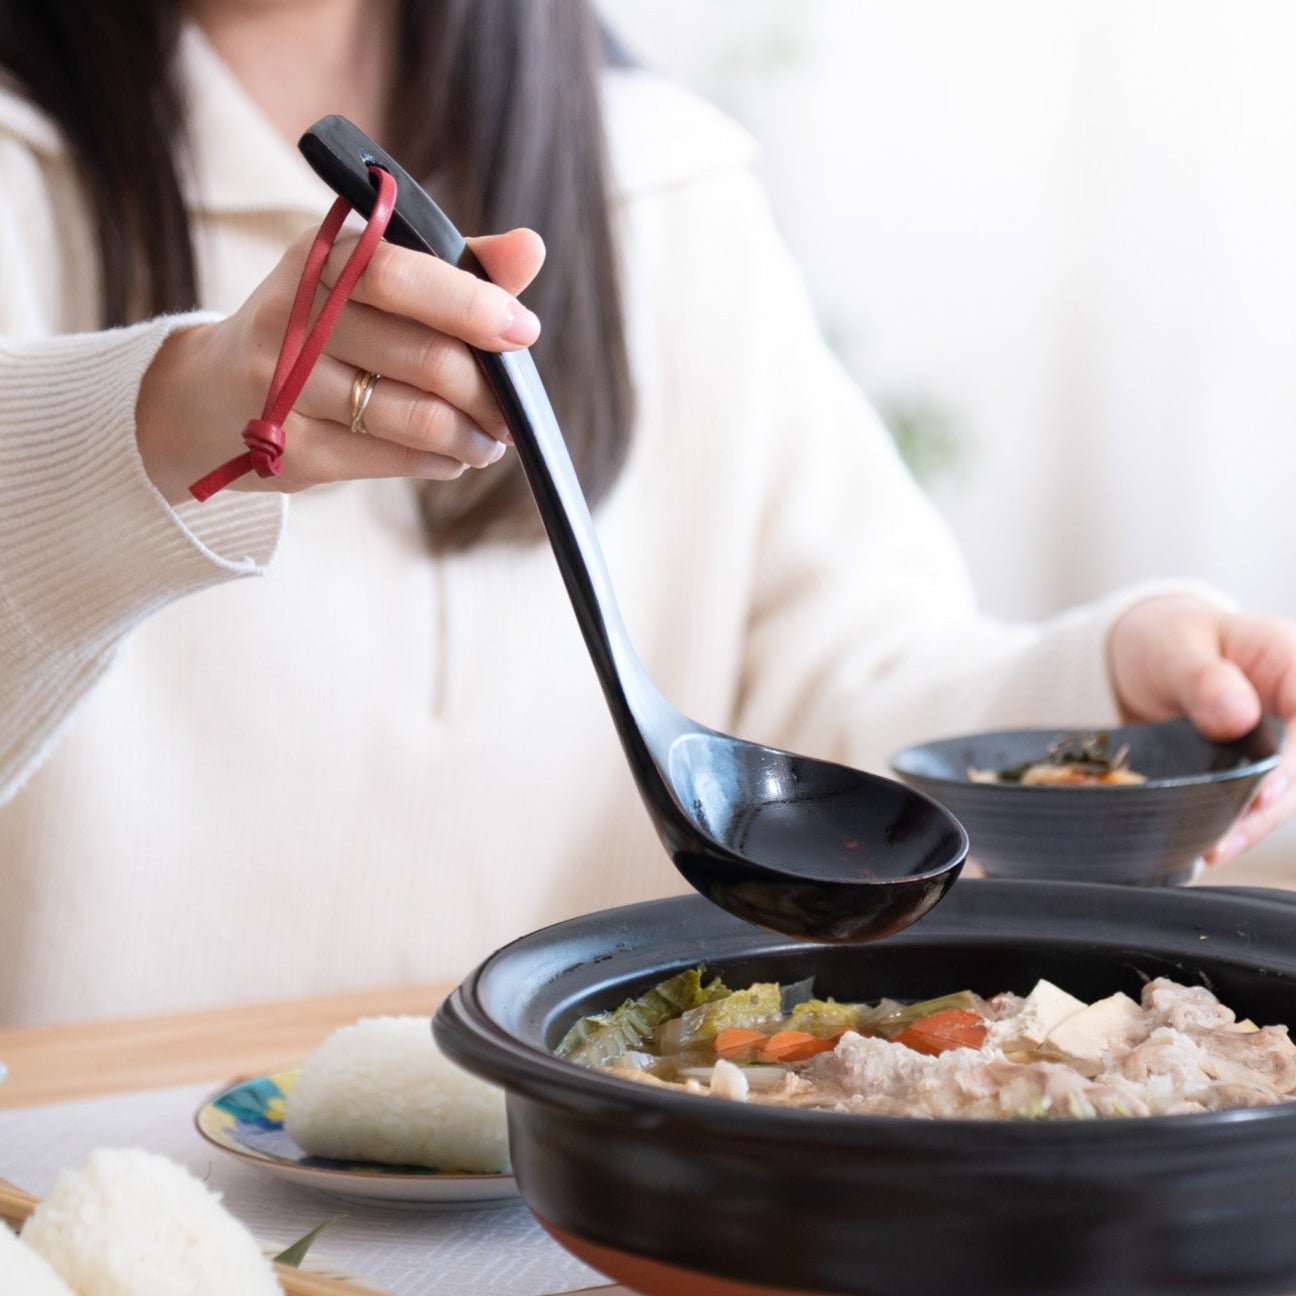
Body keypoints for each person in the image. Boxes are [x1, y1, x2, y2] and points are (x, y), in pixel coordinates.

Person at [0, 0, 1293, 1028]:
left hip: (570, 1217)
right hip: (87, 1202)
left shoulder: (662, 180)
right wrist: (149, 424)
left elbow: (838, 709)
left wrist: (1097, 712)